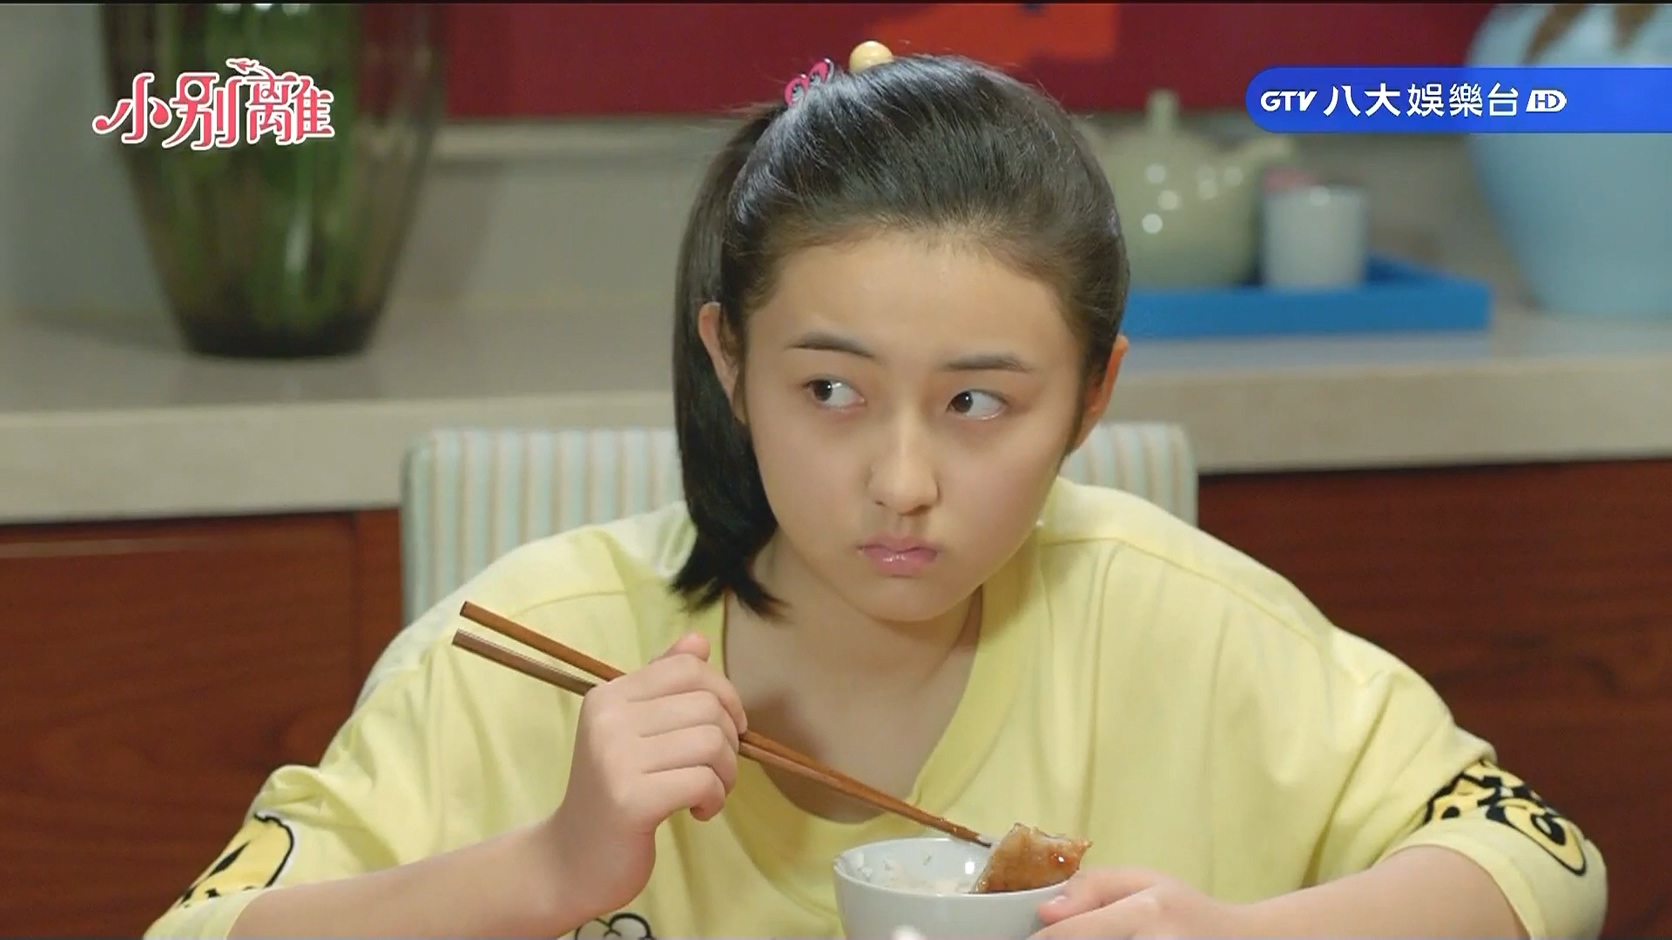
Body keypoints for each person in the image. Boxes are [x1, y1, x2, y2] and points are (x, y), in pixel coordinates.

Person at [144, 42, 1606, 940]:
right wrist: (546, 868)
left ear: (1094, 396)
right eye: (831, 391)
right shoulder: (533, 644)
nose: (901, 483)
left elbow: (1539, 861)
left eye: (978, 403)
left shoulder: (1183, 624)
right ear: (728, 359)